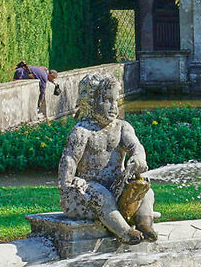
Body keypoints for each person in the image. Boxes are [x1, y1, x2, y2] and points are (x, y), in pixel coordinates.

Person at [58, 74, 158, 244]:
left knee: (146, 191)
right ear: (91, 102)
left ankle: (144, 224)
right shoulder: (82, 132)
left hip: (116, 188)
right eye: (107, 100)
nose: (113, 106)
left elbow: (136, 147)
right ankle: (125, 232)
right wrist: (67, 186)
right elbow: (70, 160)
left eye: (115, 100)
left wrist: (138, 158)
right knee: (102, 196)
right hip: (88, 194)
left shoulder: (122, 127)